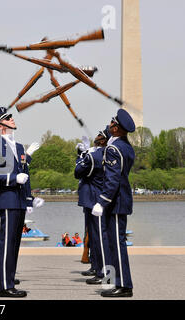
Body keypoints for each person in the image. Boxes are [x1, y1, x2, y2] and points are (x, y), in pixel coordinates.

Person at [0, 107, 35, 298]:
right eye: (8, 118)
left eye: (11, 117)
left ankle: (9, 280)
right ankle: (4, 286)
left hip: (18, 201)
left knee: (14, 244)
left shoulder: (19, 147)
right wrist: (12, 180)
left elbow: (25, 174)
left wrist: (30, 199)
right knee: (5, 244)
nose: (12, 119)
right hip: (4, 200)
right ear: (0, 125)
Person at [92, 109, 136, 298]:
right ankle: (115, 282)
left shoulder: (114, 149)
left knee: (117, 245)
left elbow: (112, 179)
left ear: (116, 128)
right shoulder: (125, 147)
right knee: (113, 243)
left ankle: (124, 285)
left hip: (115, 202)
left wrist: (102, 201)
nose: (109, 126)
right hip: (119, 200)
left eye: (111, 124)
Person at [74, 127, 111, 282]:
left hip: (93, 198)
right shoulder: (103, 153)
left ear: (103, 140)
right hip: (94, 199)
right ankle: (96, 267)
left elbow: (78, 172)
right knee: (94, 236)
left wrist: (81, 156)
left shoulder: (95, 155)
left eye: (99, 135)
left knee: (98, 237)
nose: (96, 136)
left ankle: (102, 272)